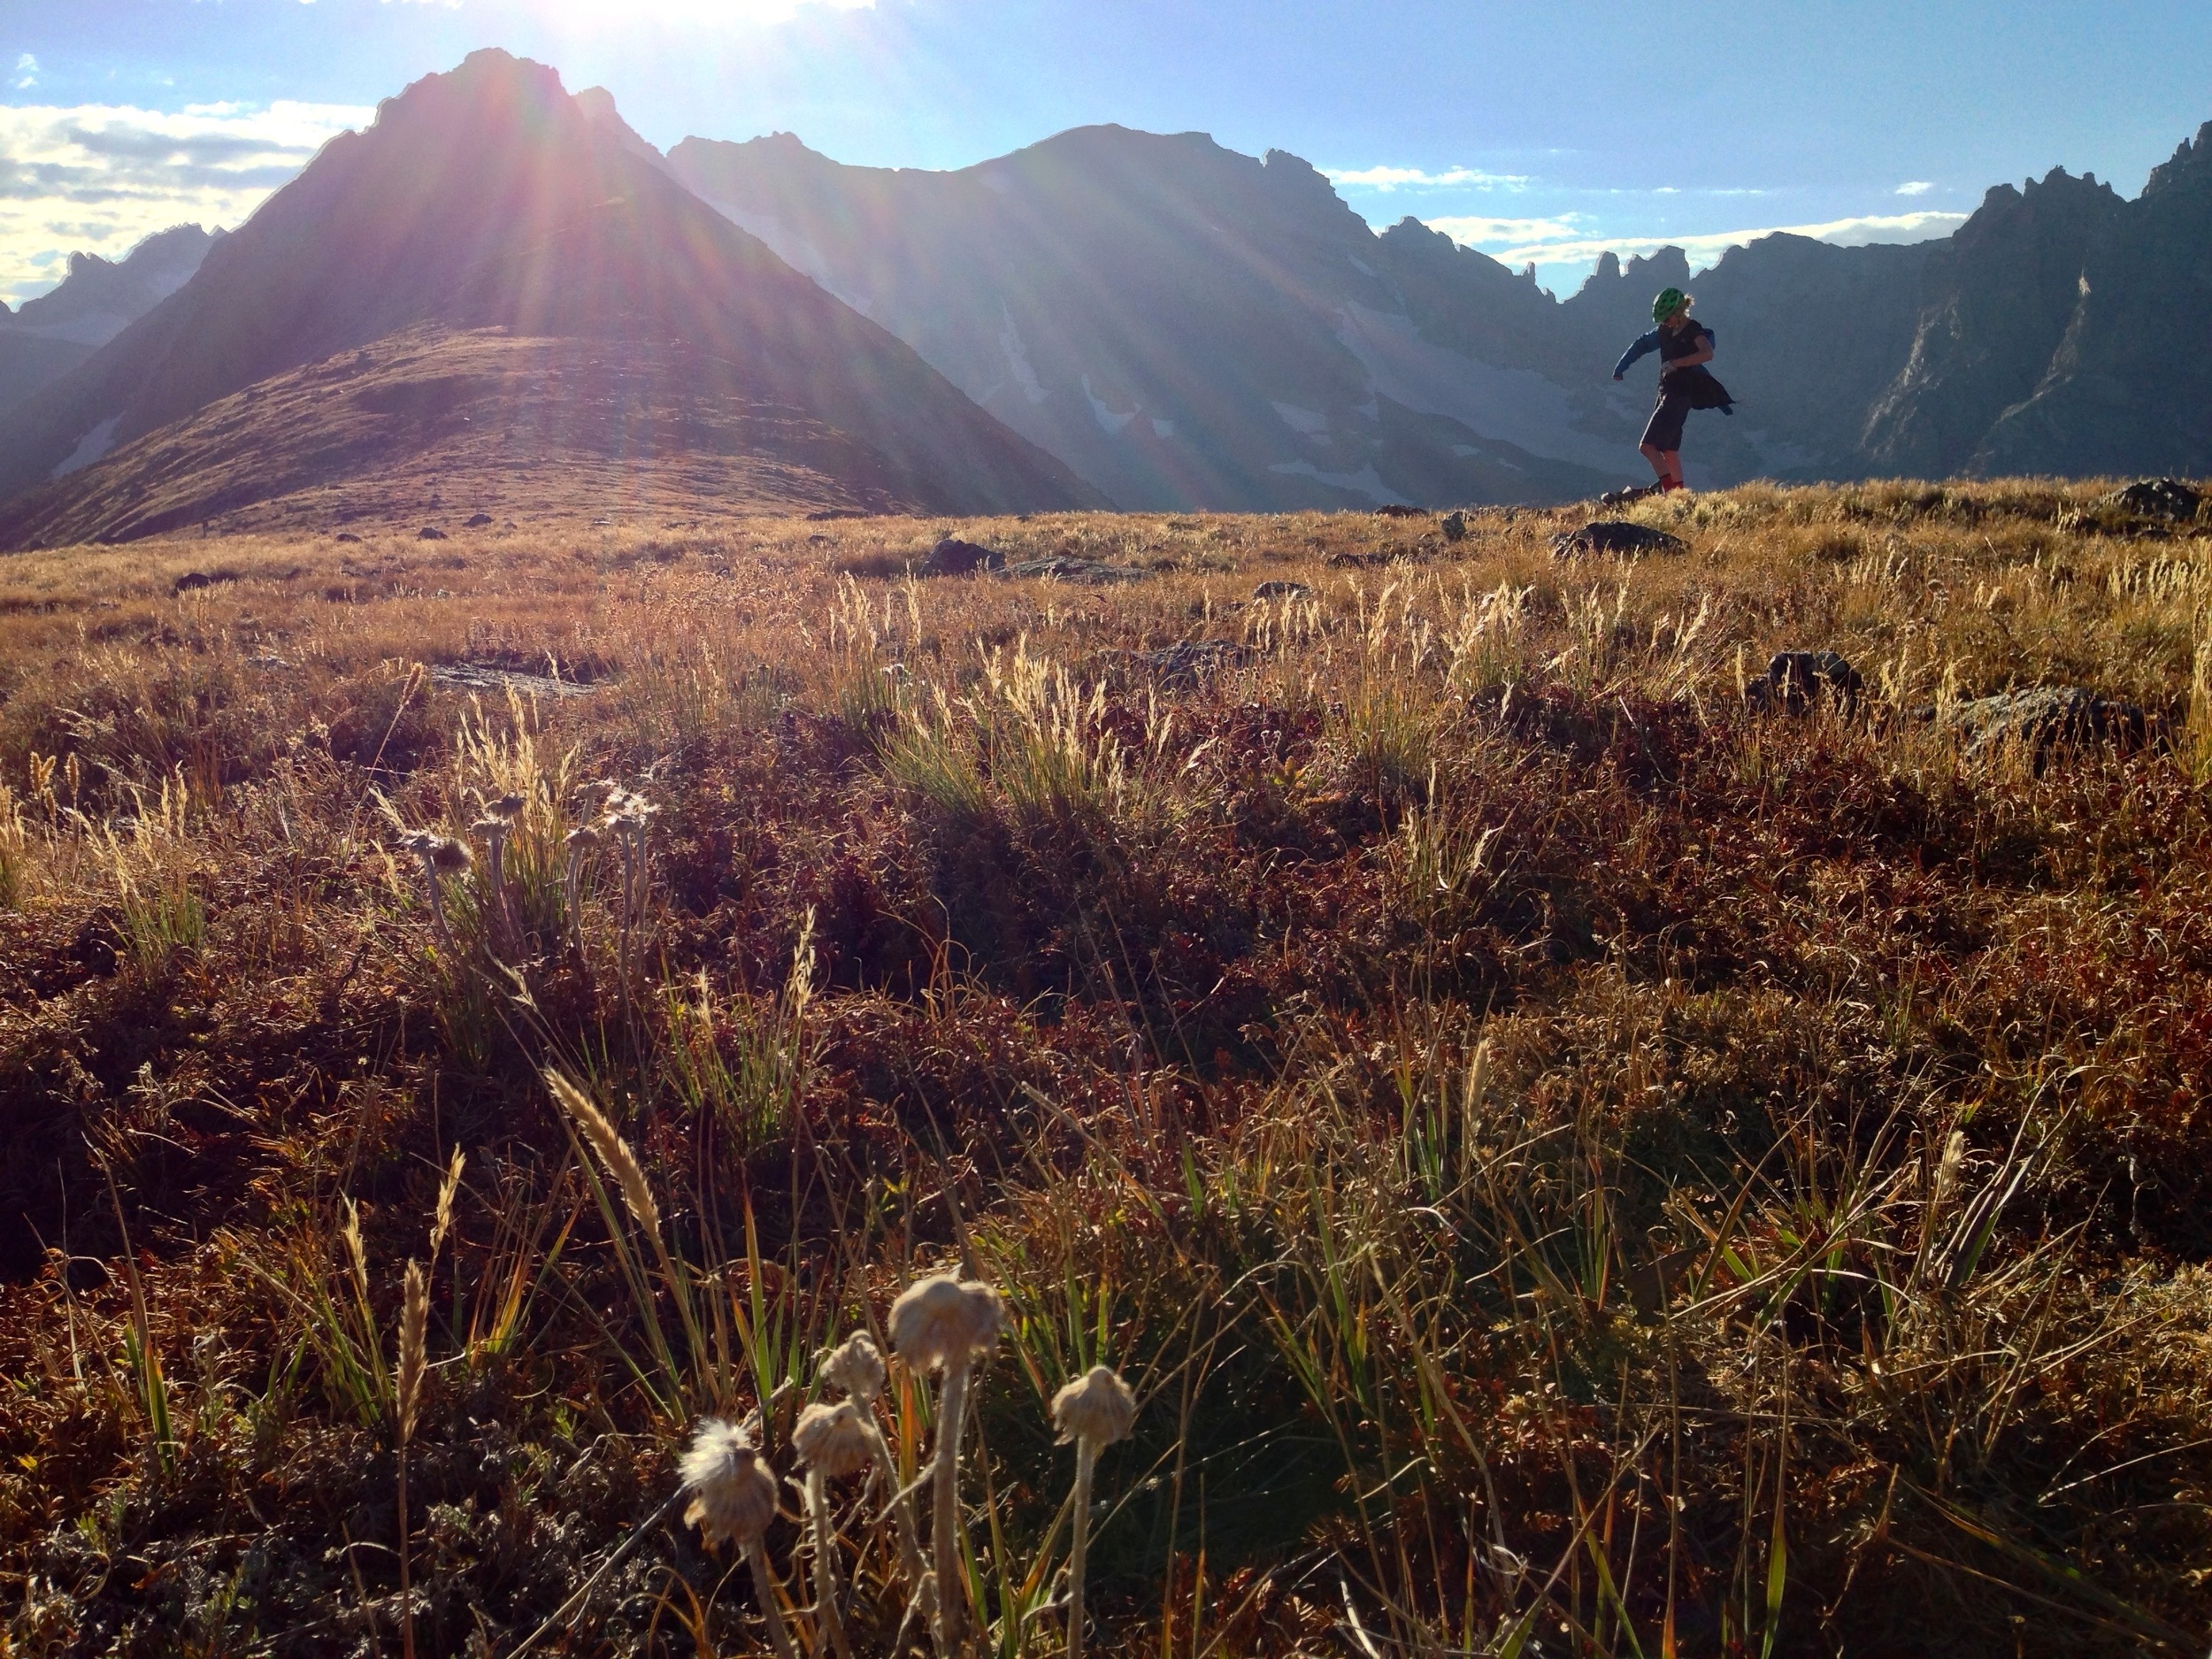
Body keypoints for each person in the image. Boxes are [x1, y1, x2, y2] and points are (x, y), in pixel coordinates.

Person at [1611, 287, 1733, 495]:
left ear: (1679, 313)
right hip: (1666, 392)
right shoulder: (1664, 332)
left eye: (1666, 318)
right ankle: (1679, 495)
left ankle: (1669, 494)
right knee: (1669, 450)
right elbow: (1640, 345)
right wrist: (1621, 367)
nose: (1664, 323)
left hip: (1679, 394)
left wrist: (1677, 363)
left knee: (1647, 447)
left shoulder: (1694, 330)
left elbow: (1707, 353)